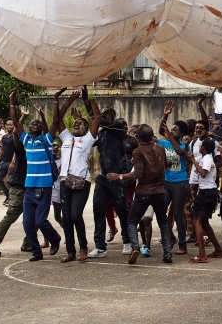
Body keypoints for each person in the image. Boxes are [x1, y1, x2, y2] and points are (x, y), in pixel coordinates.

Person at [108, 124, 172, 265]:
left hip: (143, 192)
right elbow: (165, 165)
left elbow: (138, 174)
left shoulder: (138, 151)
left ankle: (135, 247)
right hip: (160, 191)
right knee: (163, 222)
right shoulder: (160, 148)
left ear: (138, 137)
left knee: (132, 221)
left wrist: (118, 176)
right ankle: (167, 253)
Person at [53, 89, 100, 263]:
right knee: (66, 217)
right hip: (65, 180)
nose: (76, 125)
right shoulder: (66, 137)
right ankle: (70, 251)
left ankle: (83, 248)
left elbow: (97, 118)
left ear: (86, 128)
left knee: (75, 215)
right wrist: (69, 100)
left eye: (80, 123)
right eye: (75, 122)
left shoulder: (88, 139)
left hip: (82, 181)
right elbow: (57, 119)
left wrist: (91, 101)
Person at [87, 84, 133, 259]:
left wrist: (96, 112)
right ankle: (100, 246)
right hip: (103, 177)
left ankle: (127, 241)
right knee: (98, 208)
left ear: (113, 117)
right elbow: (90, 140)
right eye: (103, 115)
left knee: (122, 209)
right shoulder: (101, 134)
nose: (104, 118)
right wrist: (87, 101)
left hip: (119, 176)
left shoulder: (119, 127)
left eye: (108, 115)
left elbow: (99, 119)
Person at [17, 89, 62, 262]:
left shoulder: (47, 140)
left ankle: (55, 239)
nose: (34, 124)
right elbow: (15, 122)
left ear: (42, 128)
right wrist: (12, 101)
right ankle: (36, 251)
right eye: (32, 123)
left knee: (40, 220)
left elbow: (56, 121)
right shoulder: (27, 140)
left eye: (38, 123)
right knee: (27, 223)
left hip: (44, 185)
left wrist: (56, 101)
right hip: (29, 186)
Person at [0, 94, 32, 257]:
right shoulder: (19, 143)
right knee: (11, 215)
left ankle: (28, 243)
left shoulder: (36, 146)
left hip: (29, 184)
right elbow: (18, 131)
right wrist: (14, 105)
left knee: (34, 216)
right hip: (19, 184)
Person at [159, 100, 191, 255]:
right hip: (166, 183)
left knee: (178, 213)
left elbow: (179, 152)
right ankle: (171, 237)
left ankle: (183, 245)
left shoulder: (186, 145)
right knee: (160, 212)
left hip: (180, 183)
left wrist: (171, 137)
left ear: (182, 133)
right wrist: (165, 116)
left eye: (175, 131)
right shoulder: (164, 143)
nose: (172, 132)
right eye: (171, 130)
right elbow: (160, 130)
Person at [188, 136, 222, 263]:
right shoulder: (206, 158)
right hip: (206, 191)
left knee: (197, 221)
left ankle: (202, 254)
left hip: (207, 192)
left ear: (203, 147)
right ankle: (218, 249)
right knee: (204, 222)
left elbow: (203, 173)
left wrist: (193, 161)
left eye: (201, 145)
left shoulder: (207, 158)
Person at [0, 119, 16, 205]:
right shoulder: (4, 137)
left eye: (11, 125)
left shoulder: (15, 137)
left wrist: (13, 162)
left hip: (12, 162)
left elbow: (16, 151)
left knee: (11, 181)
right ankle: (7, 194)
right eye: (7, 125)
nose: (9, 126)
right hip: (4, 161)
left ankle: (12, 198)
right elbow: (2, 149)